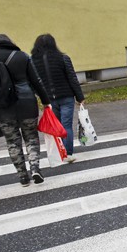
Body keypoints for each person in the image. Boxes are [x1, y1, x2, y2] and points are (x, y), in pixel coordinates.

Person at [0, 34, 50, 186]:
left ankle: (23, 176)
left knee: (12, 142)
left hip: (3, 107)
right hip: (27, 103)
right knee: (31, 137)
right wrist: (46, 101)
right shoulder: (22, 56)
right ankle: (35, 168)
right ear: (9, 41)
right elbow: (35, 80)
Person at [31, 34, 85, 162]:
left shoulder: (33, 61)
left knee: (56, 126)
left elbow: (34, 82)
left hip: (48, 99)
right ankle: (69, 153)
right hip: (66, 96)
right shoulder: (63, 58)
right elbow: (72, 78)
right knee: (66, 125)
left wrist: (41, 97)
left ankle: (60, 152)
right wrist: (80, 97)